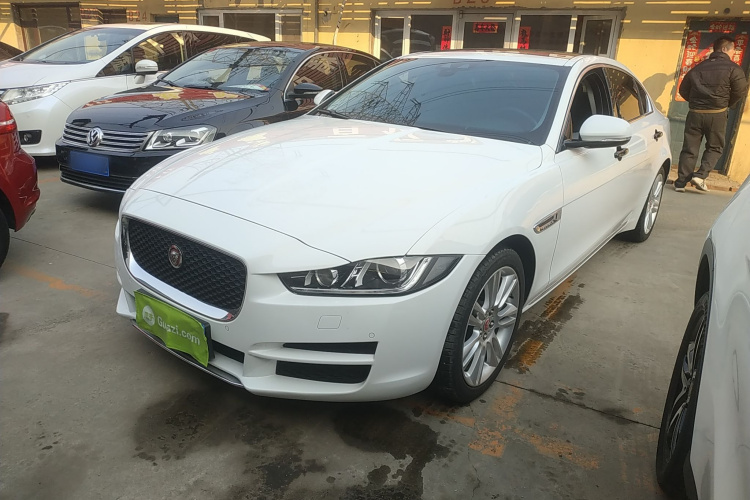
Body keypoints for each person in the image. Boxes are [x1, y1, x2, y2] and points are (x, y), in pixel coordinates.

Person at [675, 36, 748, 192]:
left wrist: (695, 103)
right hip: (717, 114)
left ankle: (681, 183)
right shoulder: (734, 69)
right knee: (715, 147)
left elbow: (683, 89)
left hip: (695, 113)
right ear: (724, 49)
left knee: (689, 148)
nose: (734, 52)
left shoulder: (697, 68)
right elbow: (741, 90)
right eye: (733, 49)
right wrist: (727, 104)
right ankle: (700, 176)